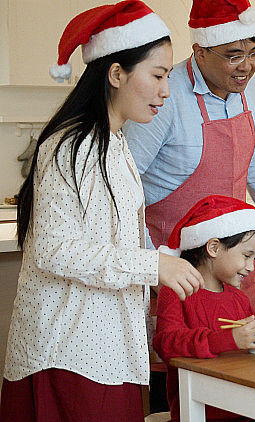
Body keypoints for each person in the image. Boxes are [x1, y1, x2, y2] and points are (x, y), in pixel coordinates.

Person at [0, 2, 205, 420]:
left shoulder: (114, 143)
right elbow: (54, 250)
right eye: (159, 75)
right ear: (116, 74)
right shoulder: (72, 147)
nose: (167, 90)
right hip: (69, 351)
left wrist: (161, 265)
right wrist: (152, 267)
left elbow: (110, 241)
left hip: (103, 350)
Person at [124, 0, 255, 322]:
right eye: (234, 56)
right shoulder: (165, 95)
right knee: (190, 356)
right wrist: (153, 262)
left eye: (254, 53)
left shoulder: (246, 90)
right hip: (178, 261)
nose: (246, 66)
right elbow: (124, 186)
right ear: (200, 51)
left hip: (238, 257)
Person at [153, 195, 255, 422]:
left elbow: (249, 349)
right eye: (246, 255)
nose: (251, 267)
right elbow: (166, 344)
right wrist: (229, 339)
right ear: (213, 247)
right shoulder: (175, 292)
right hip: (198, 413)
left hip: (246, 411)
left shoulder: (239, 299)